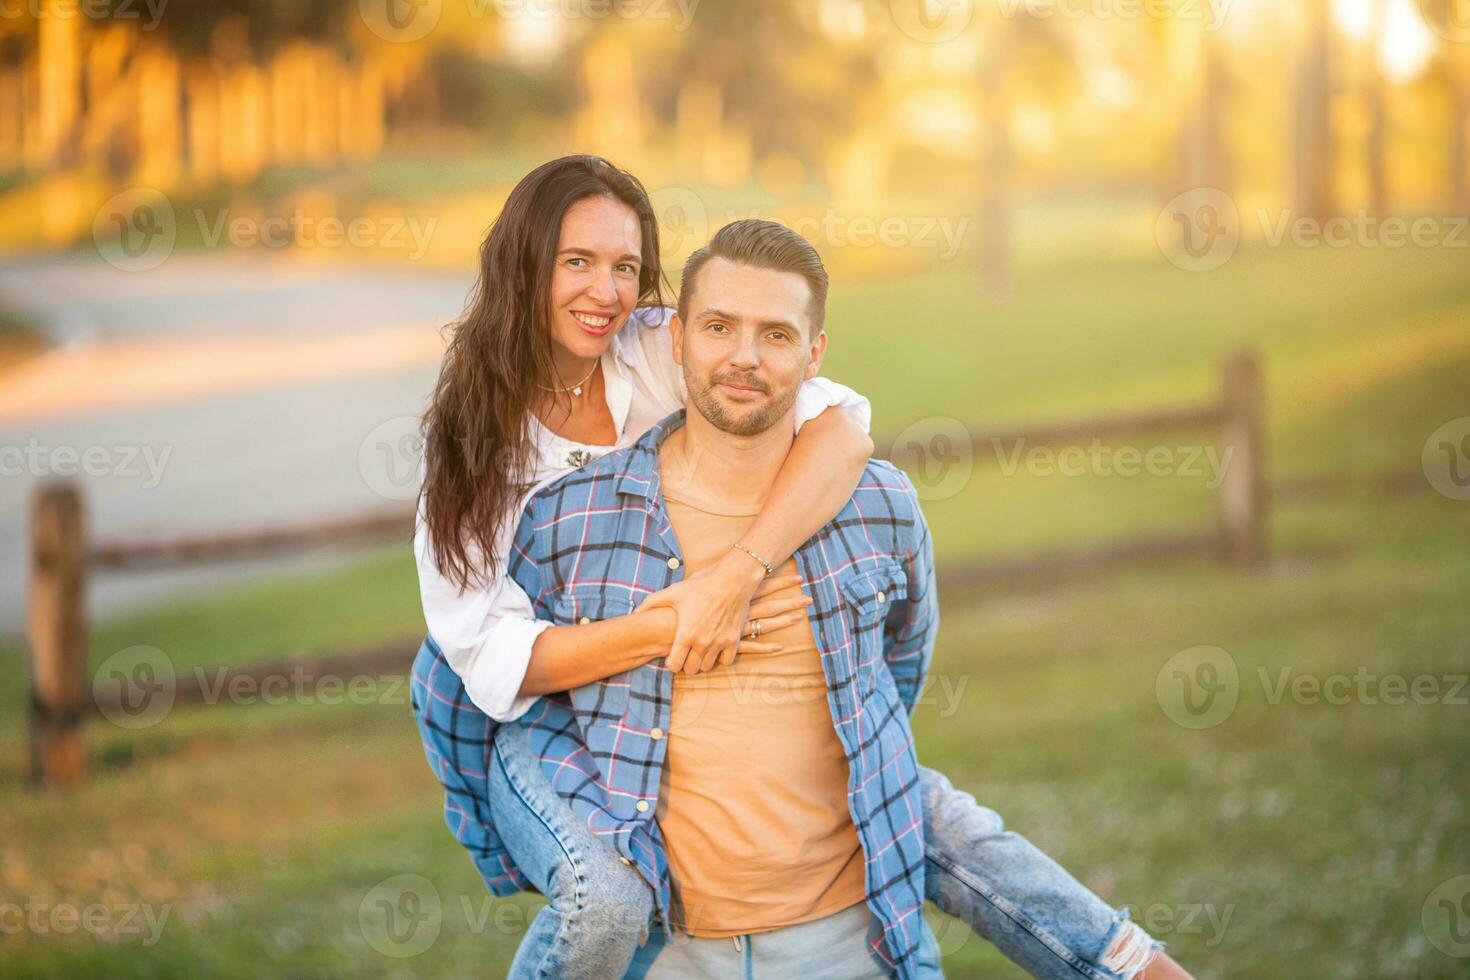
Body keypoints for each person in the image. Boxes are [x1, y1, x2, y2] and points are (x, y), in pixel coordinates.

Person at [411, 195, 1193, 978]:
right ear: (678, 339)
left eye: (776, 335)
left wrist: (742, 575)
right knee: (603, 900)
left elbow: (891, 680)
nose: (745, 356)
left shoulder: (873, 504)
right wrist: (663, 628)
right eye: (718, 327)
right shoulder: (565, 519)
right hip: (673, 953)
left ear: (815, 353)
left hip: (847, 946)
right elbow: (467, 681)